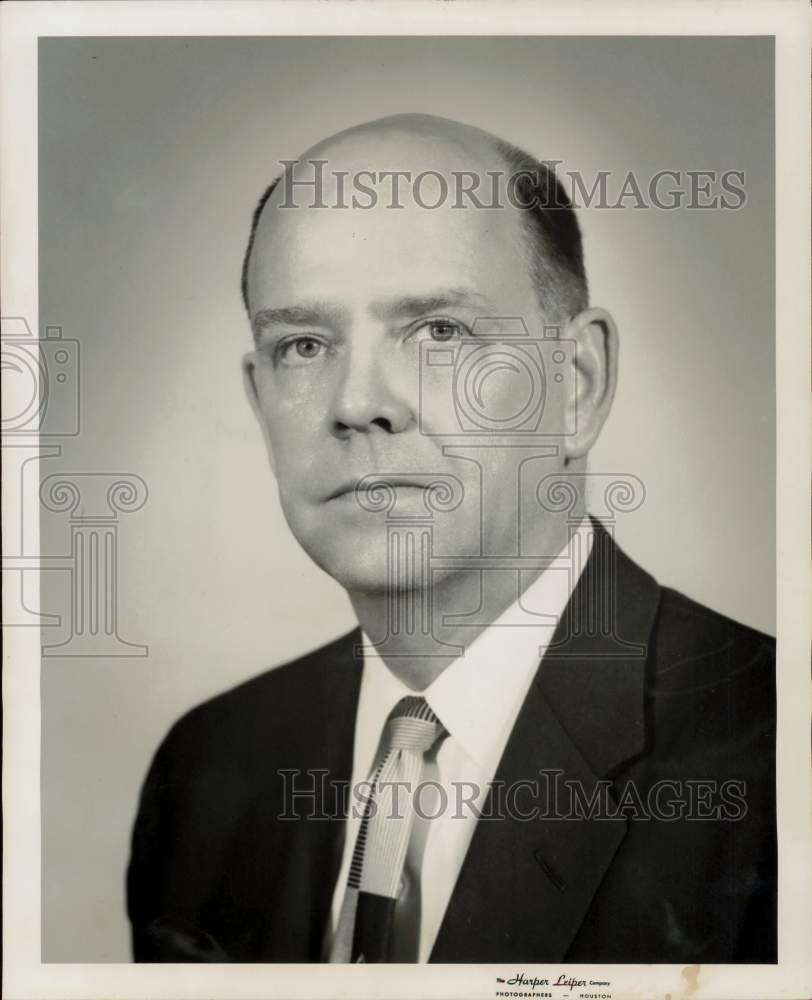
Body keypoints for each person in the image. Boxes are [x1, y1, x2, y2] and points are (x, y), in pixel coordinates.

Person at [126, 114, 776, 964]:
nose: (358, 402)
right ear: (259, 401)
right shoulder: (208, 770)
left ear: (576, 383)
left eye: (440, 330)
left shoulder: (775, 763)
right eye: (304, 344)